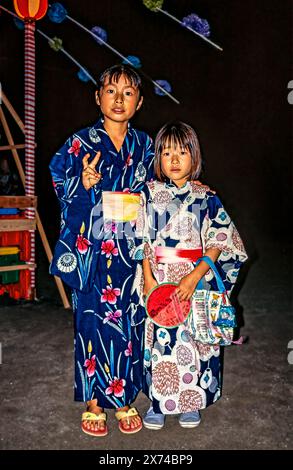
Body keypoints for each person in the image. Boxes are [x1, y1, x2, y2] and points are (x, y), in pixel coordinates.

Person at [49, 64, 155, 436]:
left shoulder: (145, 146)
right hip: (91, 248)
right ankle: (95, 402)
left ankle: (123, 398)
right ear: (98, 97)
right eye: (111, 91)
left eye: (128, 93)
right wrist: (84, 182)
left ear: (139, 102)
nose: (119, 99)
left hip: (129, 249)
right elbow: (60, 178)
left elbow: (155, 195)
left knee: (128, 322)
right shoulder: (79, 143)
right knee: (91, 321)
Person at [131, 121, 248, 429]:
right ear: (158, 158)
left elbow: (220, 241)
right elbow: (142, 241)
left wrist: (195, 276)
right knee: (160, 341)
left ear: (194, 157)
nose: (174, 159)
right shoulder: (149, 194)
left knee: (194, 339)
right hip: (159, 277)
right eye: (167, 152)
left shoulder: (206, 198)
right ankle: (158, 401)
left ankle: (190, 402)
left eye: (182, 152)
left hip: (194, 280)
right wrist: (148, 279)